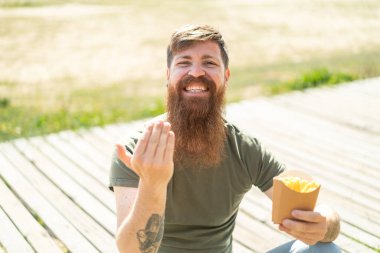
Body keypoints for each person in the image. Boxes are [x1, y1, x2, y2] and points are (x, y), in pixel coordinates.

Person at [109, 24, 341, 253]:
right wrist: (153, 183)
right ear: (168, 75)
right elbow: (131, 250)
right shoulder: (137, 150)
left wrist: (324, 224)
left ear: (226, 76)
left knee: (325, 250)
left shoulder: (244, 149)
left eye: (209, 63)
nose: (197, 72)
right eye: (184, 62)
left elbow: (321, 210)